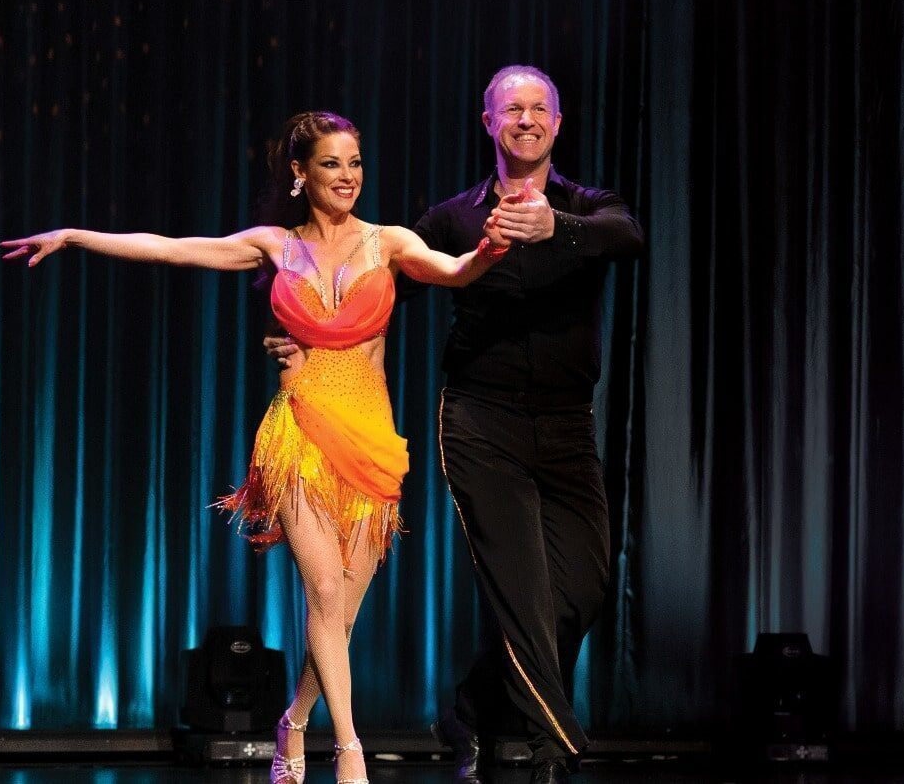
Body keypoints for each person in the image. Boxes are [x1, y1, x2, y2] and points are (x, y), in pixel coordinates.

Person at [1, 110, 510, 784]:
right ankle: (348, 750)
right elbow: (174, 247)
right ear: (300, 173)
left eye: (355, 161)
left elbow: (456, 268)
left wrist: (494, 247)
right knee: (322, 587)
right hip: (296, 432)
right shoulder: (275, 245)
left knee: (339, 614)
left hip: (372, 444)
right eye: (332, 163)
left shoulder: (388, 242)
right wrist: (75, 236)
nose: (348, 175)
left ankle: (293, 719)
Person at [267, 67, 643, 784]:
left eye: (539, 109)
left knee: (587, 585)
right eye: (512, 109)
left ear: (557, 124)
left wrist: (554, 227)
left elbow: (625, 236)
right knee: (523, 590)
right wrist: (295, 336)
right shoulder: (450, 218)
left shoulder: (591, 206)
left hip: (567, 425)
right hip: (480, 421)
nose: (526, 119)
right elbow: (361, 293)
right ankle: (552, 741)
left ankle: (475, 700)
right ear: (488, 122)